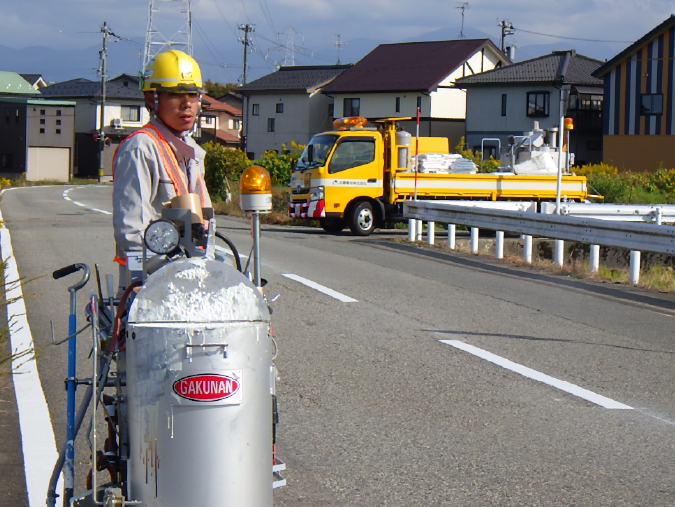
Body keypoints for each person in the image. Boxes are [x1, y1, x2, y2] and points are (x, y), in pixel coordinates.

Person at [112, 49, 212, 287]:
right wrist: (158, 275)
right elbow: (132, 229)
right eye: (175, 94)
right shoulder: (140, 147)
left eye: (193, 94)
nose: (187, 103)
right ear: (151, 98)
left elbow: (205, 217)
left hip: (191, 273)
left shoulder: (193, 150)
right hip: (151, 279)